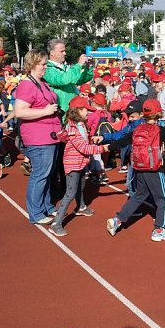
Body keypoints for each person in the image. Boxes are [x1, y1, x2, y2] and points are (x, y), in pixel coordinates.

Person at [106, 98, 165, 242]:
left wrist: (107, 147)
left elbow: (123, 141)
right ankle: (160, 229)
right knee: (163, 199)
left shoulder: (137, 129)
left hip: (139, 167)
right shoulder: (162, 130)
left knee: (139, 195)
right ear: (158, 114)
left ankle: (117, 220)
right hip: (156, 168)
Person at [14, 49, 62, 225]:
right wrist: (44, 111)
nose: (45, 67)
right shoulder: (27, 85)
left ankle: (46, 206)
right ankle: (36, 213)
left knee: (47, 174)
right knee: (40, 174)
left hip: (51, 135)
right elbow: (19, 111)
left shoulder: (42, 83)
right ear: (33, 64)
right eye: (42, 64)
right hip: (39, 137)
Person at [49, 96, 108, 237]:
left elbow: (81, 141)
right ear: (77, 111)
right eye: (85, 110)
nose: (88, 113)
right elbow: (84, 148)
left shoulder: (81, 125)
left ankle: (80, 206)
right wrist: (103, 148)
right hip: (73, 164)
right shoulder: (73, 128)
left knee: (81, 186)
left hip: (82, 162)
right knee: (70, 193)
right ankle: (56, 223)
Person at [43, 39, 94, 112]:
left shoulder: (65, 67)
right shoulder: (47, 69)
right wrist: (79, 65)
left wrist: (88, 68)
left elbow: (80, 80)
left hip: (73, 110)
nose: (65, 53)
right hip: (61, 111)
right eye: (61, 51)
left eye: (65, 51)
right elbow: (62, 80)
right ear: (52, 53)